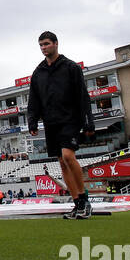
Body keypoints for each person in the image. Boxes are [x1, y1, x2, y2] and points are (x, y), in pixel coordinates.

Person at [27, 31, 95, 220]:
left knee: (68, 156)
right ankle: (77, 204)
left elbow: (83, 96)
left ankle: (84, 199)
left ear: (56, 44)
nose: (43, 48)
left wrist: (88, 122)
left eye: (47, 44)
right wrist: (32, 120)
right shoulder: (38, 72)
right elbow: (34, 99)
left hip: (70, 119)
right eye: (41, 45)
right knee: (61, 162)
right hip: (51, 121)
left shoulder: (71, 67)